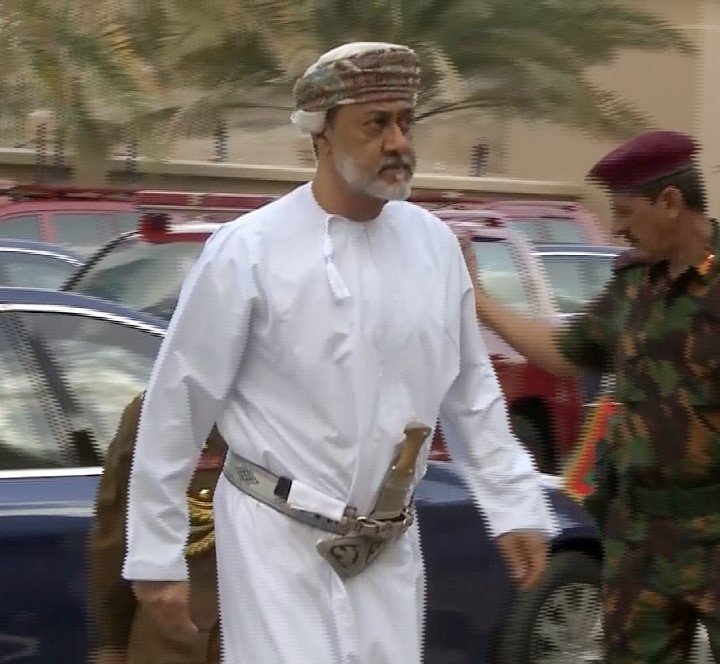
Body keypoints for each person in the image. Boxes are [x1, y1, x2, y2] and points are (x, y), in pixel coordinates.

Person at [121, 41, 556, 663]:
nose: (398, 141)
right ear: (320, 137)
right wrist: (156, 549)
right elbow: (178, 402)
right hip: (276, 544)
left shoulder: (434, 248)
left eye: (405, 122)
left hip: (388, 548)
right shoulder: (248, 251)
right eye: (376, 124)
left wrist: (513, 502)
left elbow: (471, 394)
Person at [462, 130, 720, 663]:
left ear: (671, 203)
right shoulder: (633, 285)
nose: (616, 227)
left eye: (626, 211)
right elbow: (565, 352)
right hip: (640, 535)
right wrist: (480, 301)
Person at [88, 393, 225, 664]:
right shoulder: (167, 406)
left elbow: (115, 536)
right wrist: (114, 643)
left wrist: (114, 644)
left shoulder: (170, 402)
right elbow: (117, 536)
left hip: (190, 638)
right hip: (191, 637)